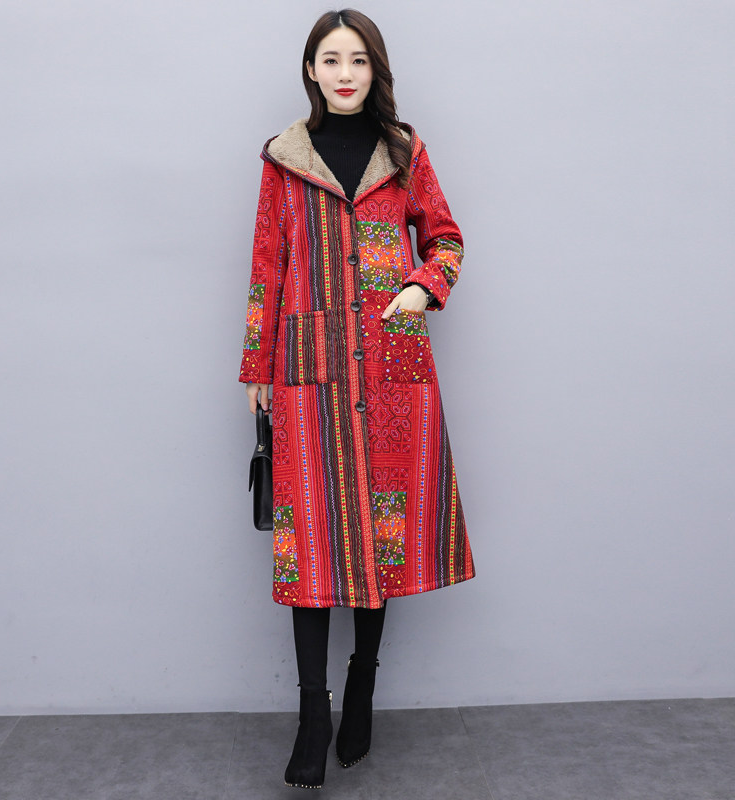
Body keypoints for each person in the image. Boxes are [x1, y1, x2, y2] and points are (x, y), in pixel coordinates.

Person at [239, 8, 475, 790]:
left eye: (360, 60)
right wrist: (256, 368)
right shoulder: (284, 159)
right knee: (308, 539)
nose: (345, 73)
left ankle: (363, 683)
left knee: (383, 533)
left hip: (393, 367)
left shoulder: (404, 152)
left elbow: (446, 239)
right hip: (309, 370)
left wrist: (421, 287)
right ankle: (314, 714)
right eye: (332, 59)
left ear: (376, 71)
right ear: (311, 69)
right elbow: (267, 266)